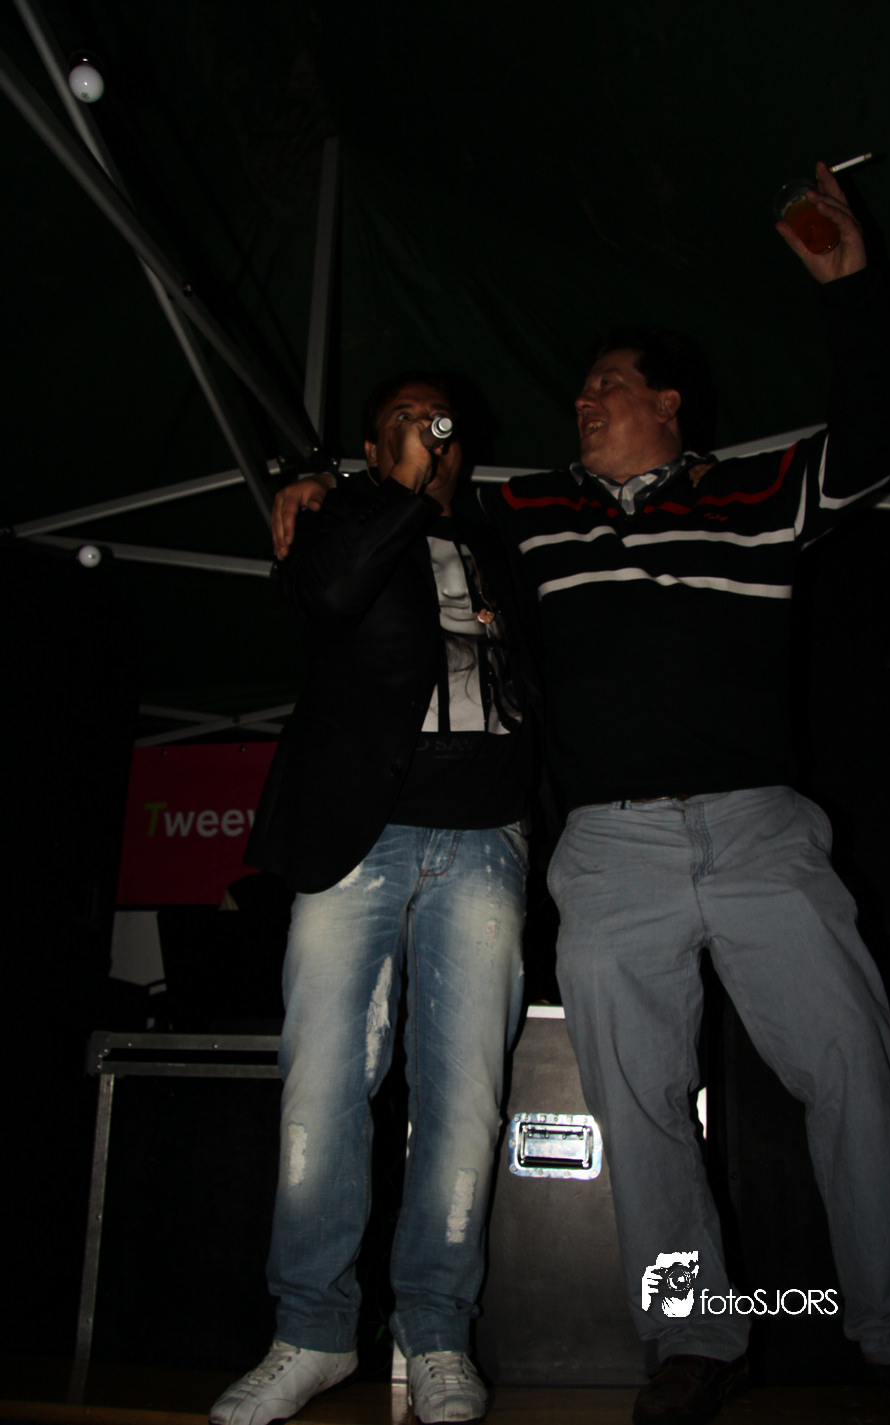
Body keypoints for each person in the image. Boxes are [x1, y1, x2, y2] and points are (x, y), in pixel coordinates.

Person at [274, 166, 890, 1425]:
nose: (581, 402)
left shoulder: (753, 496)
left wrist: (851, 289)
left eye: (607, 387)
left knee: (850, 1066)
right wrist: (314, 481)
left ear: (667, 404)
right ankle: (692, 1338)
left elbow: (869, 442)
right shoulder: (526, 514)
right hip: (608, 850)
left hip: (759, 828)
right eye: (579, 392)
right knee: (636, 1108)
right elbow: (410, 508)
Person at [210, 373, 535, 1425]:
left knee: (464, 1096)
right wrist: (381, 487)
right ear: (369, 445)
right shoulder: (332, 521)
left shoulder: (503, 537)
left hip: (484, 833)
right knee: (322, 1085)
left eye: (438, 420)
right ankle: (311, 1330)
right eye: (401, 417)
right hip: (358, 831)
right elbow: (333, 595)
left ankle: (435, 1332)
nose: (426, 431)